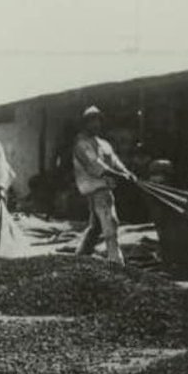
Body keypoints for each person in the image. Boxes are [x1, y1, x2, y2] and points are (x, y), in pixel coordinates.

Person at [74, 106, 134, 264]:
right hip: (96, 188)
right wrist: (120, 175)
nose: (96, 124)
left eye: (98, 120)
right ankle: (116, 261)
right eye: (91, 121)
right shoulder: (82, 144)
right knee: (110, 222)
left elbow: (114, 161)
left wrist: (127, 172)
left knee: (95, 227)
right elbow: (95, 165)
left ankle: (80, 256)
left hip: (105, 188)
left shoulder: (104, 144)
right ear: (85, 123)